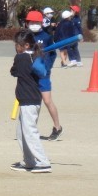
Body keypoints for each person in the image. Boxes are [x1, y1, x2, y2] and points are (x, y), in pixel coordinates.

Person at [10, 30, 51, 173]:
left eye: (18, 45)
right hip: (31, 99)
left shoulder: (21, 58)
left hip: (28, 99)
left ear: (26, 45)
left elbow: (13, 71)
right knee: (21, 132)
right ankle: (29, 161)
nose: (16, 47)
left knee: (29, 131)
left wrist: (20, 57)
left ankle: (43, 161)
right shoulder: (36, 56)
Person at [26, 10, 63, 141]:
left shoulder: (46, 37)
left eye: (36, 22)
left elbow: (52, 54)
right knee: (32, 102)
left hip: (43, 74)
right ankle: (30, 128)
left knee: (47, 100)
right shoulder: (26, 36)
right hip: (29, 74)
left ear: (41, 23)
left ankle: (57, 127)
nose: (34, 24)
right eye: (31, 22)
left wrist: (46, 68)